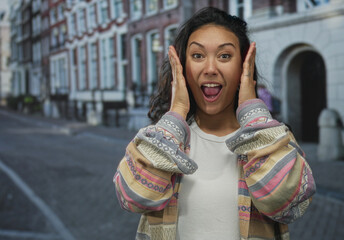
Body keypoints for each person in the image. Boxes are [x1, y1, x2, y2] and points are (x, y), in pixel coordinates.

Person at [113, 7, 315, 240]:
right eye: (198, 56)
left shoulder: (271, 140)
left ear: (243, 68)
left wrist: (252, 110)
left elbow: (286, 203)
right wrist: (176, 113)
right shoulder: (161, 140)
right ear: (182, 67)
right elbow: (131, 197)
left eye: (225, 56)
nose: (210, 69)